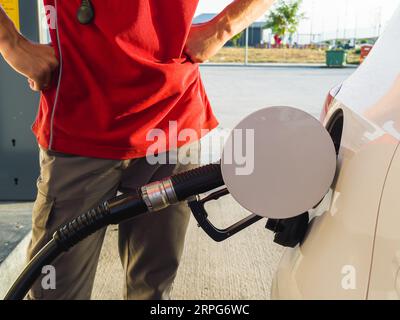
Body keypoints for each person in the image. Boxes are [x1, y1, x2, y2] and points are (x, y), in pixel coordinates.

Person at [0, 0, 274, 300]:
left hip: (171, 123)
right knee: (53, 291)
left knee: (152, 290)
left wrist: (222, 27)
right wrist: (10, 42)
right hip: (79, 124)